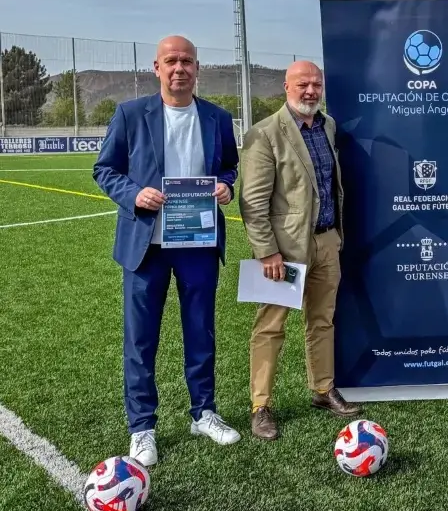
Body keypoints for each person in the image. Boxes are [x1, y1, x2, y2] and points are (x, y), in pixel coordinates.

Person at [92, 35, 242, 467]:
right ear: (157, 68)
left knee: (201, 331)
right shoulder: (130, 114)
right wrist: (134, 194)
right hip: (146, 247)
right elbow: (105, 169)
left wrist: (226, 186)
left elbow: (229, 166)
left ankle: (204, 413)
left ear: (197, 68)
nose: (180, 68)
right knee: (141, 340)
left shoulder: (217, 117)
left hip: (197, 241)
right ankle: (142, 427)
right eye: (171, 61)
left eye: (187, 61)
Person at [238, 60, 361, 441]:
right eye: (303, 84)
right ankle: (261, 406)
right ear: (286, 86)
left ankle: (323, 389)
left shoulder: (328, 126)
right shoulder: (264, 133)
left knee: (322, 320)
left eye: (316, 84)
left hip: (327, 241)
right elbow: (252, 202)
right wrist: (267, 252)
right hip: (283, 251)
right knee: (270, 327)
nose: (310, 91)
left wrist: (334, 237)